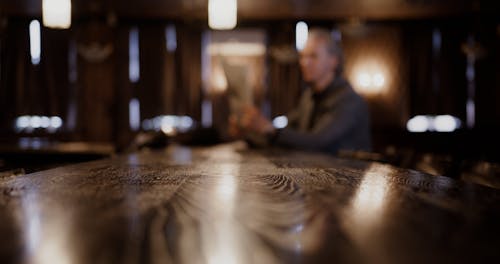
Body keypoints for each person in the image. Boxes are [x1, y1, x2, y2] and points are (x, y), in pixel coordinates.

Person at [230, 28, 371, 155]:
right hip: (319, 178)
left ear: (333, 61)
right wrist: (248, 132)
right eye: (303, 56)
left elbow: (317, 142)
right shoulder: (309, 97)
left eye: (313, 56)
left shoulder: (349, 100)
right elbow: (288, 135)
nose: (304, 62)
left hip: (349, 180)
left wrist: (267, 128)